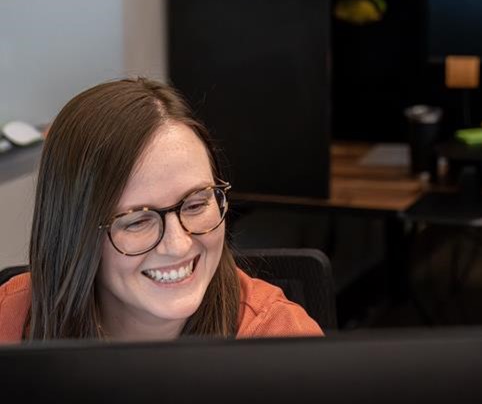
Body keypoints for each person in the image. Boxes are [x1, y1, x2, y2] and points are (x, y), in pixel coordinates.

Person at [0, 78, 323, 342]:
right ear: (74, 231)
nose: (179, 245)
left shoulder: (281, 337)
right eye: (138, 221)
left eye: (197, 204)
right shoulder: (10, 320)